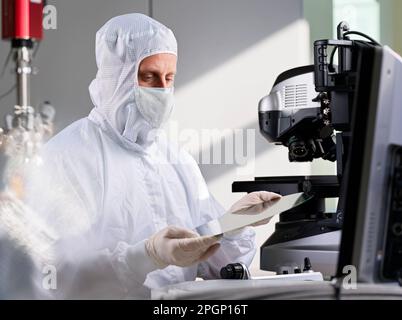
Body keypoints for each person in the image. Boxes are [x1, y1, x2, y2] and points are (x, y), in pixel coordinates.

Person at [23, 13, 280, 299]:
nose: (162, 90)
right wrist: (146, 256)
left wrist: (232, 224)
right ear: (115, 77)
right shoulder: (65, 157)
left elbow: (217, 265)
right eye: (149, 77)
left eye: (169, 78)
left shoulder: (176, 161)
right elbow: (55, 276)